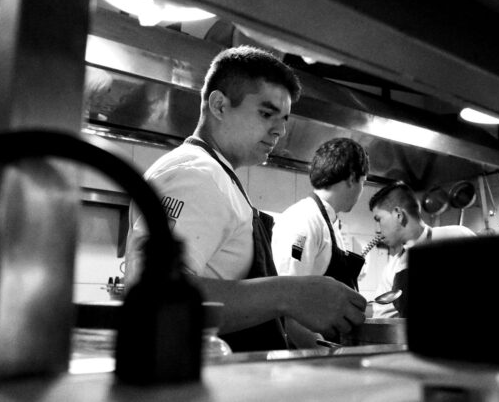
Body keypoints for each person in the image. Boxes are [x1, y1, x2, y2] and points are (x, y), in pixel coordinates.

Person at [125, 46, 366, 352]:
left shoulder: (217, 175)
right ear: (219, 106)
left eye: (284, 119)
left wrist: (313, 345)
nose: (279, 130)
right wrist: (289, 294)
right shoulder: (199, 175)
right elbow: (156, 298)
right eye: (266, 113)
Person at [272, 137, 369, 290]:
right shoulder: (303, 219)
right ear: (352, 178)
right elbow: (287, 290)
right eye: (363, 182)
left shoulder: (328, 221)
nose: (362, 190)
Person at [369, 181, 475, 318]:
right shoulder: (391, 269)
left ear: (398, 215)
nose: (377, 230)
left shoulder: (457, 237)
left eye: (379, 219)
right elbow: (384, 319)